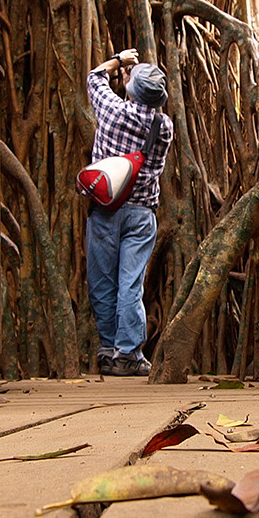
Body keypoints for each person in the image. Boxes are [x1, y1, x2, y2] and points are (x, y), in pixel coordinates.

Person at [86, 49, 172, 377]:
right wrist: (134, 81)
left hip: (106, 211)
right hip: (141, 214)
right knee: (130, 284)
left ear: (130, 89)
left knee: (103, 281)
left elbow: (95, 77)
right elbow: (145, 107)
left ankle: (109, 349)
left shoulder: (110, 110)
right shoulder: (163, 127)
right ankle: (128, 354)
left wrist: (120, 62)